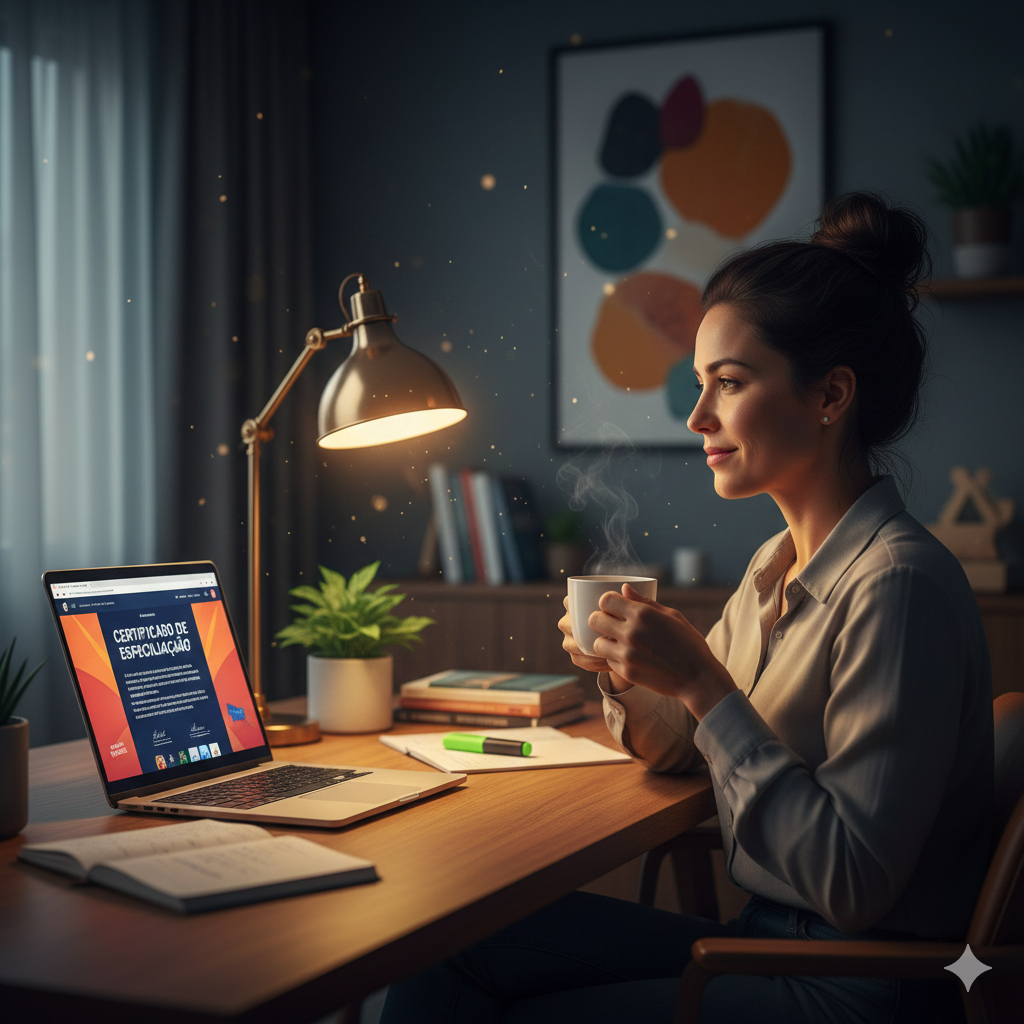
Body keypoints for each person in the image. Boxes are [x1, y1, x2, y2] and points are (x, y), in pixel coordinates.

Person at [379, 193, 993, 1024]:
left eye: (729, 383)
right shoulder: (777, 566)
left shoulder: (896, 584)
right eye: (700, 384)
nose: (698, 416)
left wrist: (705, 685)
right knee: (447, 938)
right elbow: (686, 754)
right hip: (765, 940)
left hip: (848, 984)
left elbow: (853, 884)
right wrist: (625, 671)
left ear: (830, 395)